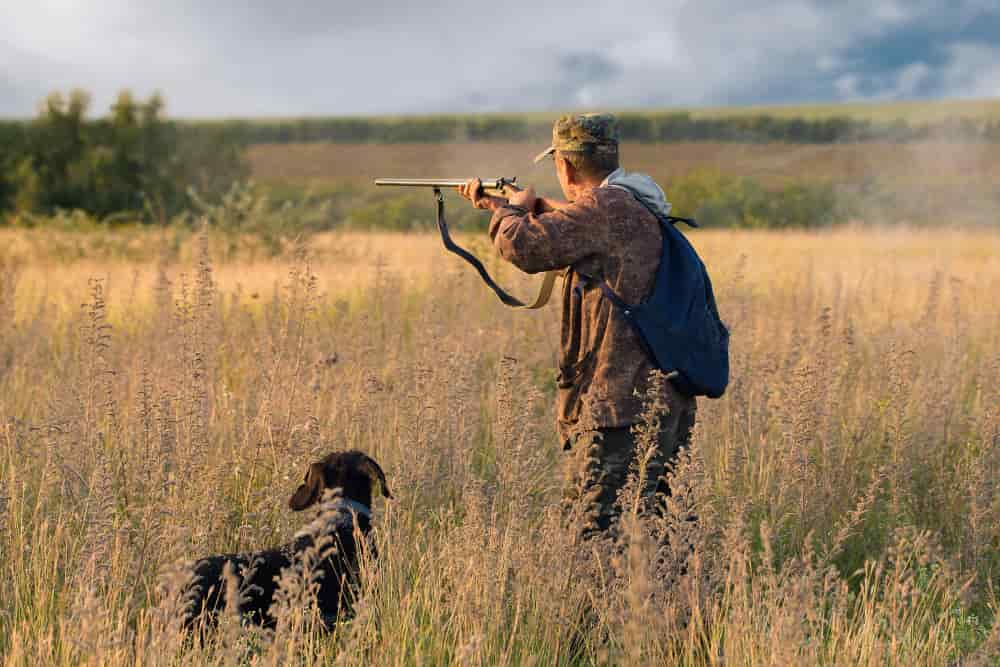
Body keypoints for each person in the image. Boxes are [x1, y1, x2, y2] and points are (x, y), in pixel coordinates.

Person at [458, 113, 697, 539]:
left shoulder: (606, 208)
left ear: (565, 165)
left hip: (619, 411)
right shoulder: (636, 201)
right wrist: (526, 209)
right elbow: (572, 231)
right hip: (663, 403)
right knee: (658, 537)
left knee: (593, 542)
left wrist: (507, 211)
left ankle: (599, 609)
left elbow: (524, 246)